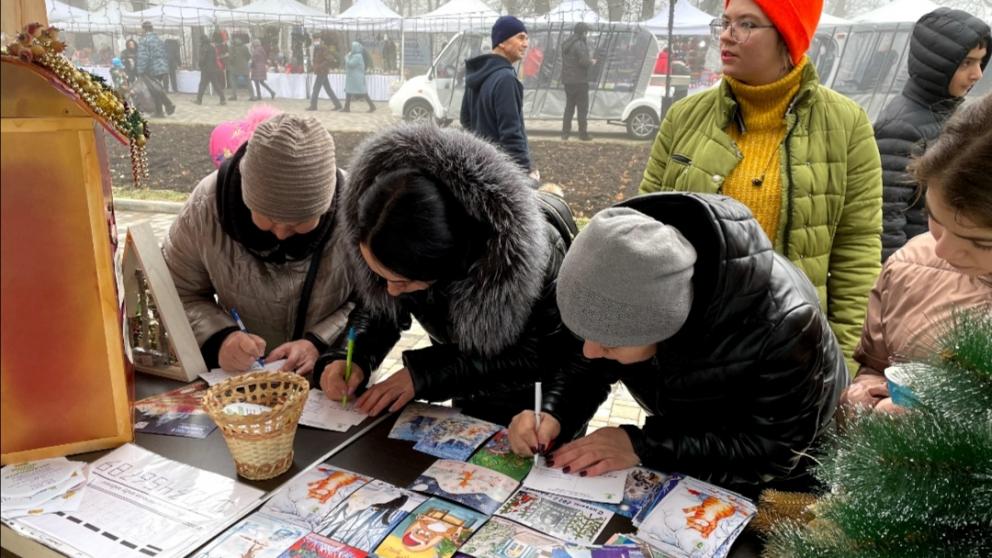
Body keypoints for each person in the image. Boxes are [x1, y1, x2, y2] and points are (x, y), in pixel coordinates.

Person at [508, 193, 848, 496]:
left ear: (668, 325)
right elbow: (586, 366)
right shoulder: (623, 270)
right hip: (698, 440)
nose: (590, 350)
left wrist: (642, 445)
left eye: (610, 345)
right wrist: (553, 411)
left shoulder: (786, 326)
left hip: (786, 473)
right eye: (585, 334)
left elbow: (773, 449)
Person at [639, 0, 883, 373]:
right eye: (725, 22)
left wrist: (845, 361)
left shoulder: (847, 125)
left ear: (788, 38)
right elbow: (642, 229)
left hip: (790, 353)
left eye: (747, 24)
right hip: (690, 350)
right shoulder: (684, 117)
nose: (726, 35)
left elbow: (857, 250)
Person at [314, 124, 579, 426]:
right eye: (380, 275)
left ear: (449, 263)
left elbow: (539, 354)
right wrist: (352, 356)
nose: (391, 290)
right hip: (468, 385)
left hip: (545, 406)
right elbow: (382, 308)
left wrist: (421, 375)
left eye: (402, 281)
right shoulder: (388, 227)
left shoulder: (532, 256)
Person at [162, 114, 351, 374]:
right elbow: (176, 293)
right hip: (244, 383)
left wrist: (320, 342)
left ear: (327, 206)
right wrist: (220, 337)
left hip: (333, 385)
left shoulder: (356, 212)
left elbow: (377, 304)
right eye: (270, 220)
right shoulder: (206, 208)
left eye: (300, 223)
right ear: (245, 195)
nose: (282, 234)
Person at [843, 94, 992, 415]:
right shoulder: (910, 267)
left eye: (981, 243)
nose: (942, 249)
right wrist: (860, 402)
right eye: (934, 219)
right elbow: (875, 367)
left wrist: (938, 430)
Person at [874, 8, 989, 262]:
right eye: (967, 63)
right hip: (921, 263)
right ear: (939, 65)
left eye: (981, 62)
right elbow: (887, 216)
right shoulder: (902, 127)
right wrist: (902, 273)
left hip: (940, 258)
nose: (977, 74)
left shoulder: (948, 113)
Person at [460, 16, 533, 174]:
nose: (526, 44)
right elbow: (512, 134)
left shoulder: (476, 74)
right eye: (520, 37)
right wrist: (524, 173)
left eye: (527, 38)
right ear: (501, 41)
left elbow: (465, 120)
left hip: (479, 169)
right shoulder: (506, 79)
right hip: (502, 176)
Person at [560, 22, 595, 141]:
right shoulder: (579, 44)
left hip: (568, 81)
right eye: (586, 32)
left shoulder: (567, 43)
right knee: (582, 109)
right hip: (580, 81)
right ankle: (583, 134)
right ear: (583, 32)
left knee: (569, 108)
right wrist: (591, 61)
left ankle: (565, 134)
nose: (587, 35)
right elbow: (583, 62)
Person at [136, 22, 174, 117]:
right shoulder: (159, 40)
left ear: (144, 29)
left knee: (154, 88)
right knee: (155, 88)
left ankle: (167, 105)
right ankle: (160, 111)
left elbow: (143, 57)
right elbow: (165, 53)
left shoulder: (144, 41)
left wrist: (140, 70)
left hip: (151, 68)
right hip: (162, 67)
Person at [308, 33, 343, 112]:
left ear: (319, 39)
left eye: (315, 39)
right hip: (320, 71)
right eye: (314, 40)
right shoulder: (317, 48)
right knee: (328, 89)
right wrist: (313, 67)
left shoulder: (323, 48)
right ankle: (338, 105)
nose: (314, 41)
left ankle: (313, 106)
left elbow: (329, 59)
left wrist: (320, 66)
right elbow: (317, 59)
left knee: (316, 88)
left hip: (322, 71)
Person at [195, 32, 226, 106]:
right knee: (215, 84)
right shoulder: (212, 47)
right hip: (213, 68)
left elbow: (203, 59)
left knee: (202, 84)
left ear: (202, 40)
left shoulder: (203, 48)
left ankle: (199, 100)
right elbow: (215, 58)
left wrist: (200, 65)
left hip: (206, 69)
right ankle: (223, 99)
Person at [343, 42, 375, 113]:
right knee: (348, 91)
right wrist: (349, 55)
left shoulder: (358, 56)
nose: (351, 48)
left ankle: (372, 106)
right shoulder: (354, 55)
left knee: (363, 92)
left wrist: (346, 58)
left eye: (352, 47)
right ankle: (346, 107)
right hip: (353, 78)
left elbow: (350, 64)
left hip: (357, 78)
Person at [227, 34, 252, 101]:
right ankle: (252, 96)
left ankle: (234, 95)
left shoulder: (231, 48)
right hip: (244, 66)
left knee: (233, 81)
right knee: (248, 81)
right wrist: (244, 61)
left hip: (234, 67)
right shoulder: (244, 47)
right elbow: (249, 56)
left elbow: (231, 58)